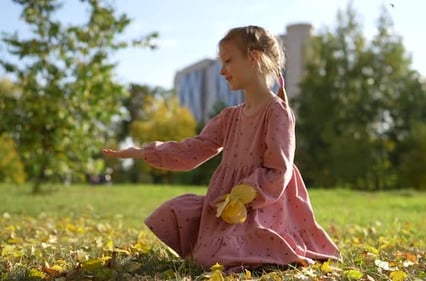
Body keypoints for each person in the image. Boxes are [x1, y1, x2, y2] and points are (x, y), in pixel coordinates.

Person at [102, 25, 341, 273]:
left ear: (254, 58)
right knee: (174, 212)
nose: (222, 71)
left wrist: (243, 194)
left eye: (228, 61)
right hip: (225, 206)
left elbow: (278, 170)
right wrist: (145, 152)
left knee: (218, 254)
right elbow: (194, 149)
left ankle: (256, 248)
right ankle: (230, 244)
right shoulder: (230, 117)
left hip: (262, 207)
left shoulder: (277, 112)